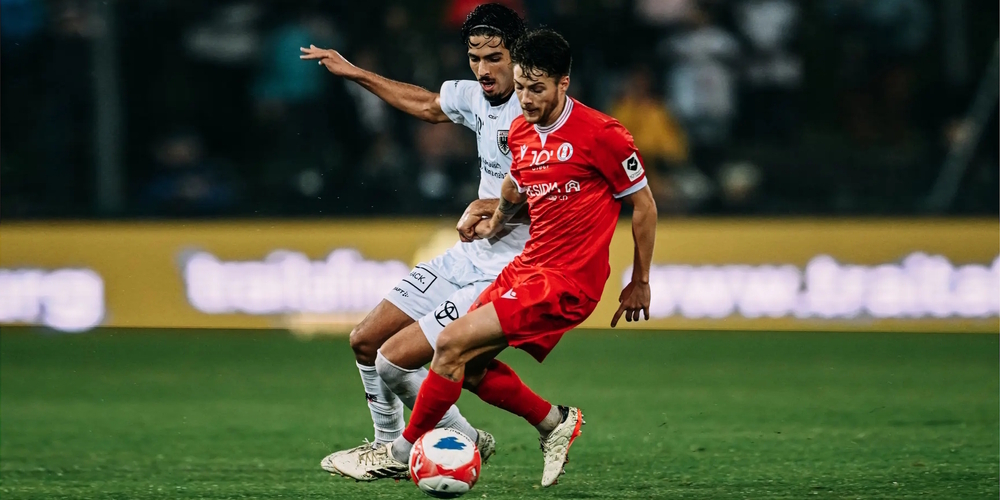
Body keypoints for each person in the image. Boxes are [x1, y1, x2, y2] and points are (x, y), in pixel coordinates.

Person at [333, 28, 657, 488]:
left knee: (449, 345)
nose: (525, 98)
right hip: (523, 270)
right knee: (468, 367)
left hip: (565, 280)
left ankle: (400, 451)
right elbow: (515, 187)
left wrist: (640, 279)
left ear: (565, 82)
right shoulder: (522, 131)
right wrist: (494, 219)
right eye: (521, 86)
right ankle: (554, 422)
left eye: (537, 88)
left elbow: (643, 205)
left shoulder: (603, 134)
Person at [299, 3, 534, 481]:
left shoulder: (536, 110)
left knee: (396, 360)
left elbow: (553, 190)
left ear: (519, 56)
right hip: (467, 254)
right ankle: (403, 443)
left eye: (495, 58)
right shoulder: (473, 97)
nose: (483, 70)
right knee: (365, 341)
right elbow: (427, 105)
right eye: (475, 57)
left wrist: (492, 210)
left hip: (506, 269)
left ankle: (400, 452)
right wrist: (354, 72)